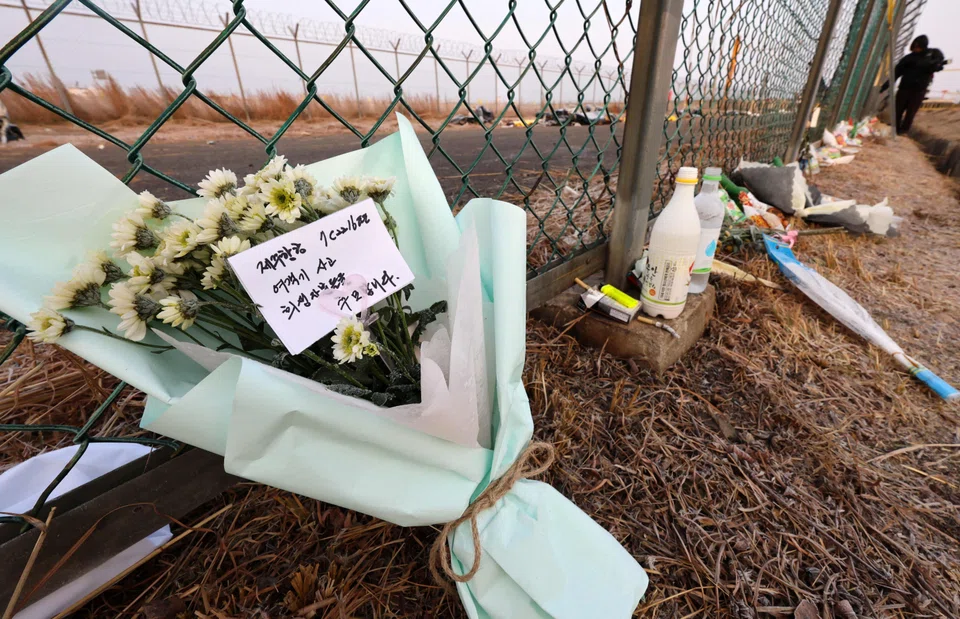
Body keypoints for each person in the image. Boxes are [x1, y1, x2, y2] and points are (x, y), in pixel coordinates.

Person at [880, 35, 946, 133]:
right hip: (905, 88)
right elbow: (896, 73)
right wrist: (887, 85)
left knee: (910, 112)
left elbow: (939, 64)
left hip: (919, 90)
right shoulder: (909, 58)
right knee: (898, 110)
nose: (916, 49)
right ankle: (895, 129)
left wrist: (936, 65)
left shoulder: (932, 54)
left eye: (918, 46)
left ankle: (904, 130)